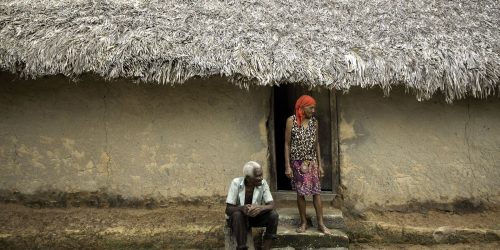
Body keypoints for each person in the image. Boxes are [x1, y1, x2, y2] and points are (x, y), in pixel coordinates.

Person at [284, 95, 331, 235]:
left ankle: (321, 224)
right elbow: (287, 144)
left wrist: (320, 165)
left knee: (316, 193)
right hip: (297, 163)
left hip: (312, 162)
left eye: (314, 107)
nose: (313, 110)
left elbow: (316, 143)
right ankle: (303, 222)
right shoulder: (291, 121)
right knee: (300, 194)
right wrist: (287, 165)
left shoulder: (314, 122)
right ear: (302, 107)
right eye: (311, 107)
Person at [225, 161, 279, 250]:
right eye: (258, 176)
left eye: (261, 175)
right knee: (237, 214)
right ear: (248, 178)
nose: (261, 178)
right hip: (238, 221)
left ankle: (266, 248)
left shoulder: (263, 183)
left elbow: (271, 204)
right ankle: (242, 247)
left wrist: (261, 208)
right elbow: (228, 209)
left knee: (273, 215)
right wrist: (242, 208)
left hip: (254, 218)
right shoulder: (236, 183)